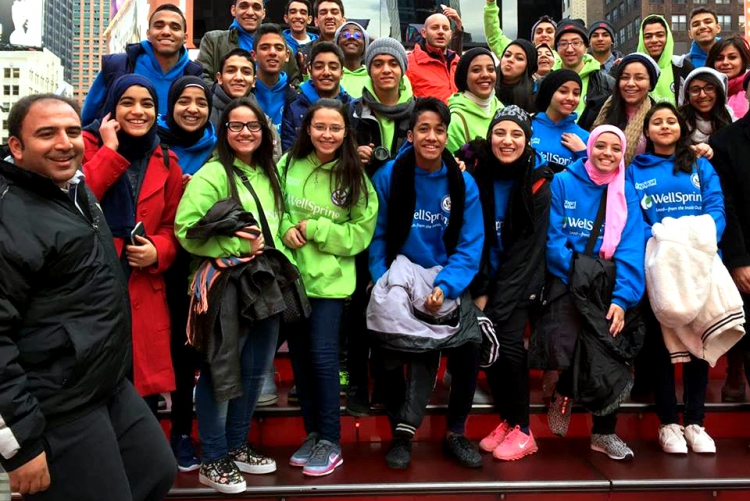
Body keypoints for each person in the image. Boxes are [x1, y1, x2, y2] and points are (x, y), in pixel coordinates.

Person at [0, 93, 176, 500]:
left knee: (154, 471)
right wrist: (21, 446)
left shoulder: (73, 190)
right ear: (17, 147)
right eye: (47, 134)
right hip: (56, 401)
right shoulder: (10, 215)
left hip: (105, 384)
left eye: (73, 131)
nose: (64, 143)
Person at [174, 97, 286, 493]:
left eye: (253, 126)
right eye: (236, 126)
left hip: (264, 285)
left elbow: (277, 222)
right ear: (223, 132)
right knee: (222, 371)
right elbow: (186, 231)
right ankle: (214, 457)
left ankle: (237, 445)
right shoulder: (211, 175)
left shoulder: (269, 173)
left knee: (255, 371)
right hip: (226, 288)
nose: (245, 133)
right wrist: (234, 249)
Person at [368, 97, 485, 470]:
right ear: (410, 133)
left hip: (445, 274)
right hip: (399, 273)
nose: (431, 137)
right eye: (423, 129)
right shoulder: (389, 175)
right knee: (387, 347)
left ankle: (455, 432)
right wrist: (381, 282)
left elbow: (470, 243)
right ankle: (401, 434)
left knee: (469, 345)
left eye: (439, 129)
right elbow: (377, 236)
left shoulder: (463, 182)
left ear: (447, 134)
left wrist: (447, 286)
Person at [280, 99, 378, 477]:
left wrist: (317, 229)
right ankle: (313, 433)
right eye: (319, 127)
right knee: (302, 362)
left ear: (345, 133)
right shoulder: (287, 164)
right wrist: (284, 229)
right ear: (307, 129)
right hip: (292, 279)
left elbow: (360, 233)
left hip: (331, 285)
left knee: (322, 361)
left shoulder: (355, 176)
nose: (327, 134)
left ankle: (332, 441)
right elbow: (274, 209)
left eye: (335, 128)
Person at [82, 74, 184, 412]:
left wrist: (158, 249)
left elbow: (172, 226)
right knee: (96, 395)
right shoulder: (87, 146)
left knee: (141, 404)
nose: (138, 111)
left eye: (147, 104)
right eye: (127, 102)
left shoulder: (167, 160)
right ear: (112, 108)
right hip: (96, 284)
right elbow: (79, 204)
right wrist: (109, 150)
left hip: (144, 286)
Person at [628, 102, 725, 455]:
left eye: (671, 121)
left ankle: (695, 422)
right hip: (658, 267)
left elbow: (716, 209)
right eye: (657, 122)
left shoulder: (700, 165)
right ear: (647, 131)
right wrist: (658, 246)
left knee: (700, 345)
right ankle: (668, 423)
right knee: (660, 347)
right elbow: (632, 217)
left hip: (700, 264)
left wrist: (695, 238)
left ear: (681, 128)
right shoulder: (635, 170)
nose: (665, 126)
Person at [546, 125, 646, 461]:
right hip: (570, 275)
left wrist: (621, 299)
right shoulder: (563, 181)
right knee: (576, 331)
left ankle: (602, 430)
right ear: (588, 147)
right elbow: (554, 237)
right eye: (599, 146)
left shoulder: (625, 188)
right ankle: (563, 392)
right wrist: (576, 275)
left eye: (614, 149)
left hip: (609, 280)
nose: (606, 153)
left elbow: (632, 245)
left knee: (611, 339)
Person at [467, 106, 554, 461]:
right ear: (490, 137)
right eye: (500, 133)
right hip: (485, 276)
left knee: (509, 345)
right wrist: (482, 289)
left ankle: (524, 428)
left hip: (521, 280)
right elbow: (474, 237)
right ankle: (507, 419)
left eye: (516, 134)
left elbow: (526, 252)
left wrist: (496, 302)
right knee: (488, 348)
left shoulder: (537, 181)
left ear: (527, 140)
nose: (507, 141)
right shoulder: (476, 176)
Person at [347, 38, 415, 415]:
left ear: (402, 69)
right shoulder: (352, 113)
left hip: (405, 220)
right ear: (368, 70)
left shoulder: (417, 112)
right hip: (359, 218)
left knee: (398, 299)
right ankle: (359, 382)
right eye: (378, 63)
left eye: (393, 62)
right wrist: (351, 156)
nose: (386, 69)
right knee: (360, 303)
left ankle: (392, 382)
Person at [82, 4, 202, 125]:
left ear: (185, 37)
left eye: (175, 27)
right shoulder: (117, 66)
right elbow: (87, 122)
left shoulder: (195, 76)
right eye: (159, 26)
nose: (166, 32)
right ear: (148, 33)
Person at [709, 83, 750, 413]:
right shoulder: (726, 141)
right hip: (745, 247)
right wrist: (738, 259)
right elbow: (728, 205)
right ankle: (736, 373)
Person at [197, 0, 299, 87]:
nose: (250, 12)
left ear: (263, 13)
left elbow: (295, 85)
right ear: (233, 10)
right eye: (243, 6)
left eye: (256, 7)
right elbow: (201, 78)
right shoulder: (213, 41)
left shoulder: (283, 50)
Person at [282, 42, 351, 151]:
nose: (326, 72)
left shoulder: (352, 107)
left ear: (342, 73)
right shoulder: (294, 107)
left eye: (333, 67)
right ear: (310, 70)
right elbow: (289, 150)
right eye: (319, 67)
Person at [593, 53, 659, 166]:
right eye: (625, 77)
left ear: (650, 84)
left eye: (639, 78)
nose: (630, 83)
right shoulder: (597, 108)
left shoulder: (658, 117)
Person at [554, 19, 615, 131]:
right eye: (563, 43)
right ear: (556, 48)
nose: (569, 49)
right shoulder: (546, 82)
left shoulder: (606, 83)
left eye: (576, 43)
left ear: (586, 47)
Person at [531, 69, 590, 172]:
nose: (571, 98)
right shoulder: (529, 125)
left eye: (576, 93)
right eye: (563, 91)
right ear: (549, 93)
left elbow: (593, 176)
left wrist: (583, 152)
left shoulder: (584, 137)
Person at [446, 47, 502, 154]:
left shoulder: (501, 109)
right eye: (476, 70)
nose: (485, 74)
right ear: (464, 77)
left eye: (490, 69)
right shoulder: (455, 120)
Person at [158, 76, 217, 177]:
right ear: (172, 105)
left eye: (201, 104)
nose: (193, 109)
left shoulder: (216, 149)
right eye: (184, 102)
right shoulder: (151, 139)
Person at [252, 23, 300, 136]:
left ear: (287, 55)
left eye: (278, 48)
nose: (272, 52)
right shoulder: (244, 93)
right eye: (265, 48)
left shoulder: (296, 97)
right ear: (254, 55)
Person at [636, 15, 693, 106]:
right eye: (648, 36)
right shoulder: (632, 67)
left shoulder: (682, 66)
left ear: (668, 37)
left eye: (660, 35)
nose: (654, 40)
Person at [406, 12, 461, 103]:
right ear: (424, 33)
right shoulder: (409, 63)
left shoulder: (458, 62)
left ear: (450, 35)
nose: (441, 32)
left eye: (445, 28)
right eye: (435, 27)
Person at [679, 67, 733, 145]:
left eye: (709, 88)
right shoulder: (678, 121)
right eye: (695, 90)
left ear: (719, 91)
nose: (702, 95)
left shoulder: (732, 120)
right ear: (688, 94)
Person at [210, 48, 258, 127]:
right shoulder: (205, 115)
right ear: (220, 78)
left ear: (254, 81)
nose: (238, 78)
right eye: (231, 71)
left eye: (246, 72)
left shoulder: (261, 117)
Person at [706, 36, 750, 119]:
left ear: (743, 60)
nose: (725, 62)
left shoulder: (748, 89)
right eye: (719, 58)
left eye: (732, 57)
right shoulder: (703, 91)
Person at [495, 39, 537, 113]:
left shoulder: (535, 94)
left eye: (519, 58)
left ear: (528, 66)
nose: (510, 60)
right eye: (507, 55)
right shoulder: (486, 84)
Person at [335, 21, 370, 99]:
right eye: (345, 35)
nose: (351, 37)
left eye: (358, 35)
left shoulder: (373, 74)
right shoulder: (329, 73)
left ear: (365, 45)